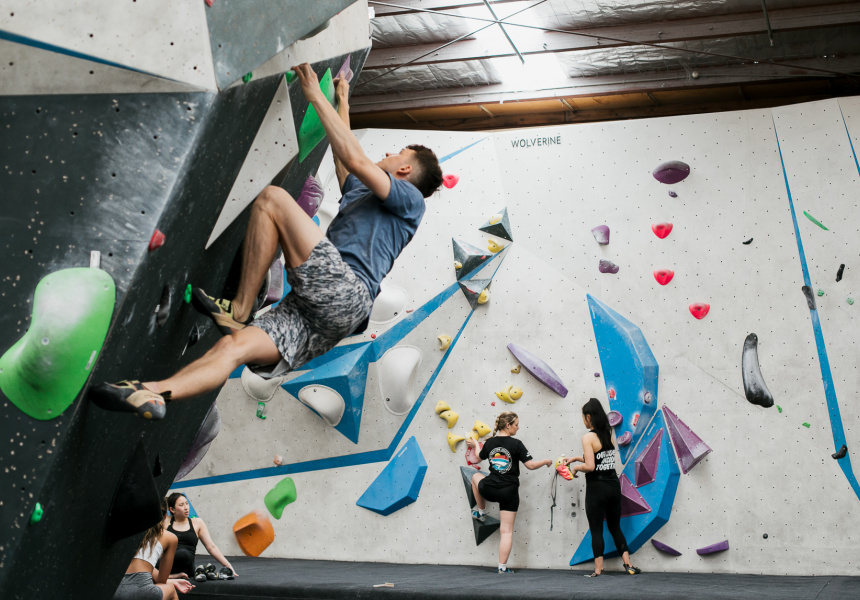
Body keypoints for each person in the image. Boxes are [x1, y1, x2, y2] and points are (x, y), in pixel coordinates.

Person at [90, 62, 443, 419]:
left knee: (272, 200)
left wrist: (314, 95)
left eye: (396, 154)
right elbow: (345, 158)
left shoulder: (411, 200)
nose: (387, 155)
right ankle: (154, 393)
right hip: (323, 319)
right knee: (233, 348)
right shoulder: (365, 195)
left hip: (346, 291)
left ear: (405, 169)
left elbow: (356, 158)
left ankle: (241, 309)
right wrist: (342, 101)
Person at [465, 412, 552, 574]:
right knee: (506, 531)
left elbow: (478, 457)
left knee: (475, 476)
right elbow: (531, 465)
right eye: (516, 425)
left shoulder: (490, 442)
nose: (518, 428)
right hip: (509, 493)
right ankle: (502, 568)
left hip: (490, 489)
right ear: (508, 425)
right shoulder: (517, 444)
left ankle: (481, 512)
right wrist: (546, 461)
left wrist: (476, 443)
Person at [563, 398, 641, 577]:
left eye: (583, 417)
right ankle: (628, 564)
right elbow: (600, 459)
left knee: (596, 529)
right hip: (613, 486)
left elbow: (590, 466)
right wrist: (576, 458)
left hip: (596, 488)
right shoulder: (608, 433)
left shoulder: (587, 437)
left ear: (588, 417)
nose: (583, 420)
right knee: (615, 527)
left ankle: (598, 569)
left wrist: (575, 468)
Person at [113, 500, 194, 599]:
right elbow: (161, 581)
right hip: (143, 592)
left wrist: (172, 580)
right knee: (171, 589)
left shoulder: (124, 533)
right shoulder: (169, 537)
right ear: (165, 516)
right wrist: (171, 582)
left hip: (114, 591)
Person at [161, 493, 236, 580]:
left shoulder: (197, 523)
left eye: (187, 503)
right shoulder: (165, 522)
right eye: (181, 505)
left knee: (184, 554)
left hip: (187, 565)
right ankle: (170, 576)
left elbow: (211, 547)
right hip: (167, 566)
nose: (186, 507)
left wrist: (227, 565)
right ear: (172, 509)